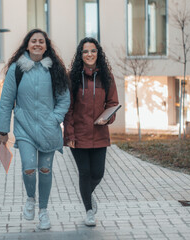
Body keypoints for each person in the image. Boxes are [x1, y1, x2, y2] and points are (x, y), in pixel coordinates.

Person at [0, 29, 70, 230]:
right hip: (25, 128)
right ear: (27, 45)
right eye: (33, 41)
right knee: (29, 168)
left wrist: (55, 118)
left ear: (46, 46)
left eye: (41, 41)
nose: (37, 44)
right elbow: (6, 101)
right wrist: (3, 130)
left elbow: (64, 98)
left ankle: (43, 211)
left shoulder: (54, 69)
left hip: (48, 129)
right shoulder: (16, 69)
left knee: (45, 170)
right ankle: (31, 198)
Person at [63, 37, 119, 227]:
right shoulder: (73, 77)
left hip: (100, 134)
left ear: (98, 53)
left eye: (93, 51)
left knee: (98, 173)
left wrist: (108, 118)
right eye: (85, 51)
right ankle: (89, 211)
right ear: (81, 55)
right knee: (85, 173)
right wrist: (69, 135)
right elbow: (68, 108)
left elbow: (112, 104)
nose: (89, 54)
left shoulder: (106, 76)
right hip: (78, 135)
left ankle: (87, 194)